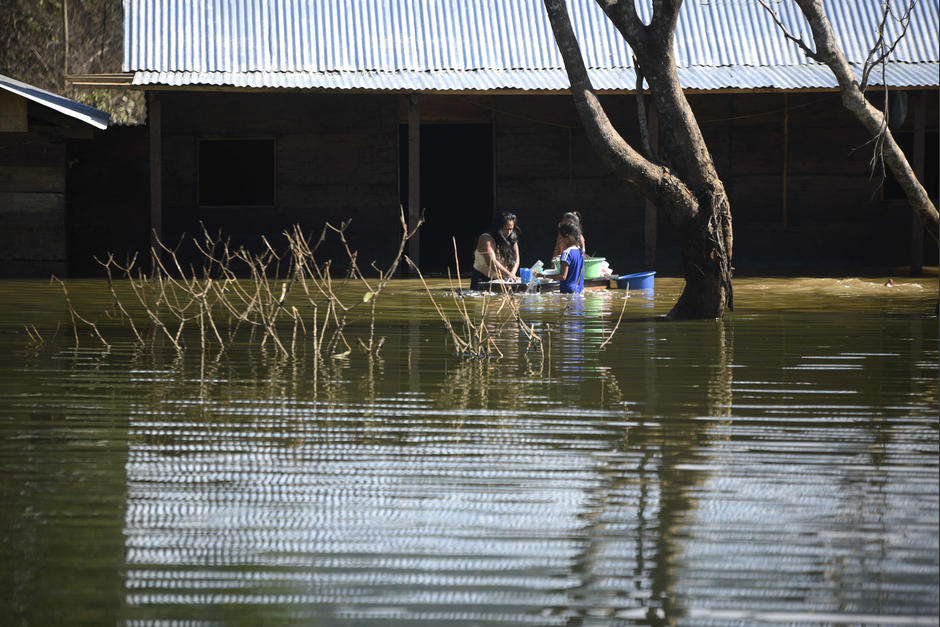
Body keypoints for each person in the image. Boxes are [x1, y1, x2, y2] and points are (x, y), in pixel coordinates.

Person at [470, 211, 520, 290]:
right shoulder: (486, 238)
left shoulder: (512, 238)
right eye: (506, 229)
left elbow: (517, 260)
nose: (508, 232)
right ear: (498, 227)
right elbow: (491, 262)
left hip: (502, 280)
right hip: (482, 280)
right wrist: (509, 275)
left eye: (511, 229)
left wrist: (512, 275)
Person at [541, 221, 584, 294]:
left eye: (560, 236)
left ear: (566, 236)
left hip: (567, 292)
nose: (559, 239)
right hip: (579, 290)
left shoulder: (566, 253)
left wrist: (543, 276)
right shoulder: (580, 251)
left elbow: (562, 277)